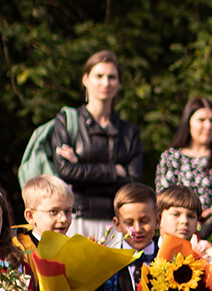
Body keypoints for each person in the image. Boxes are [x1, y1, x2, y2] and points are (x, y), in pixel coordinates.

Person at [53, 50, 145, 241]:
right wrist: (115, 172)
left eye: (112, 77)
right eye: (99, 76)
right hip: (76, 219)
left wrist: (81, 170)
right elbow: (64, 171)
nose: (105, 82)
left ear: (119, 83)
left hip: (116, 222)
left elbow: (133, 184)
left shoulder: (129, 132)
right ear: (85, 79)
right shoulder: (68, 120)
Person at [155, 96, 212, 248]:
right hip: (180, 231)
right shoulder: (171, 158)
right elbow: (163, 199)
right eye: (201, 120)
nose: (208, 126)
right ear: (188, 122)